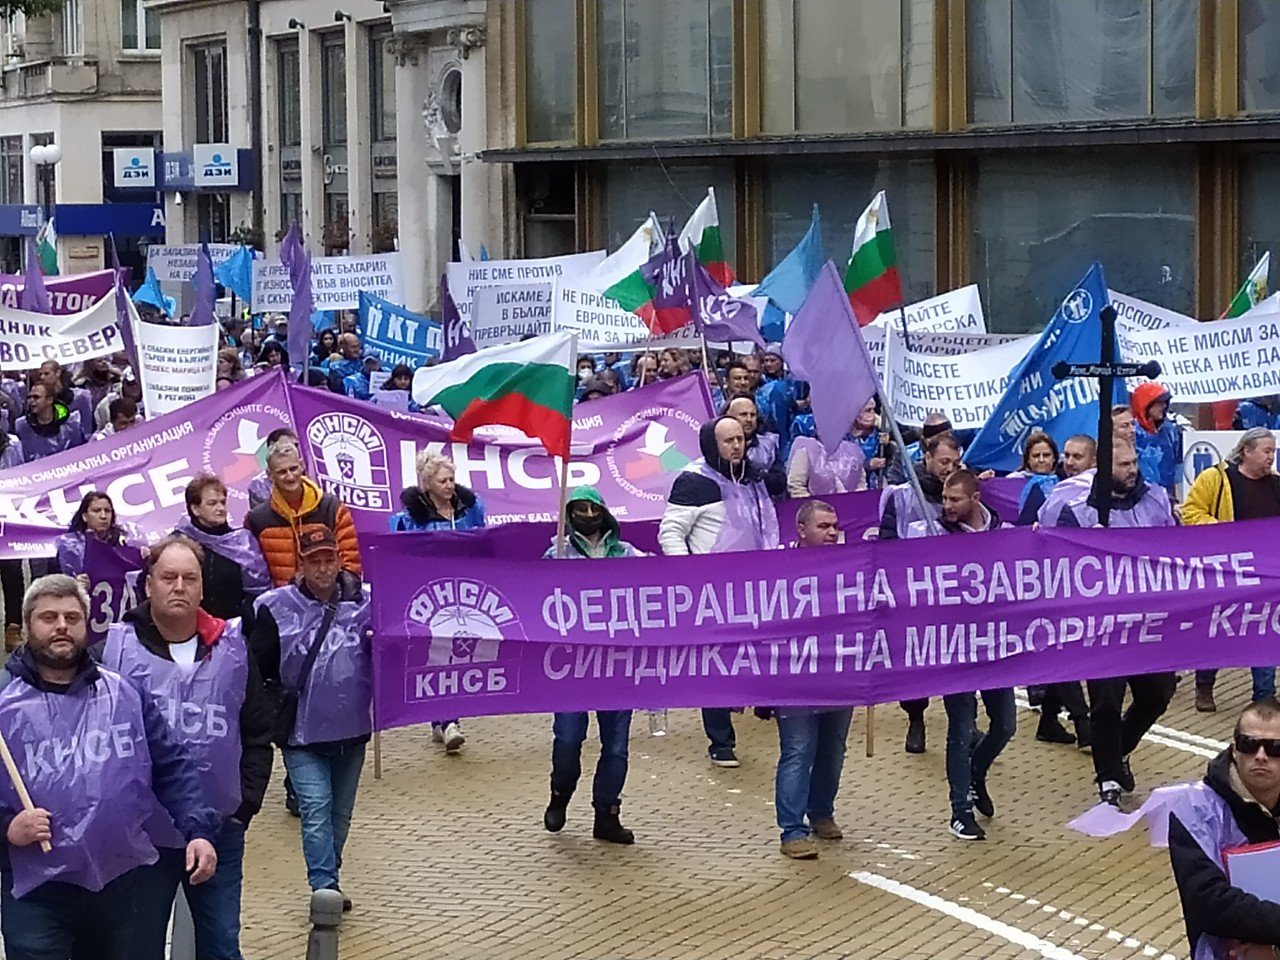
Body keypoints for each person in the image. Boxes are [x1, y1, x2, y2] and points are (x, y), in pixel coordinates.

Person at [0, 575, 218, 960]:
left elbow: (171, 765)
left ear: (87, 624)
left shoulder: (124, 694)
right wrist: (7, 828)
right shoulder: (4, 703)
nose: (61, 626)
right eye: (48, 617)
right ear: (27, 626)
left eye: (72, 616)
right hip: (37, 893)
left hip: (116, 885)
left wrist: (197, 830)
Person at [100, 535, 274, 960]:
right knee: (139, 948)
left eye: (189, 578)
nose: (179, 586)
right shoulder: (117, 647)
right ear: (149, 585)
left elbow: (256, 731)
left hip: (220, 828)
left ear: (201, 588)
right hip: (144, 834)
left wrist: (244, 808)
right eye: (168, 577)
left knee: (221, 947)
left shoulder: (233, 646)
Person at [1049, 440, 1177, 807]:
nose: (1132, 470)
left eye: (1134, 462)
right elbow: (1054, 554)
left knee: (1158, 693)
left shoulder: (1154, 498)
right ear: (1102, 468)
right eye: (1123, 464)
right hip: (1101, 622)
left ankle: (1119, 751)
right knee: (1105, 701)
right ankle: (1107, 778)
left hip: (1148, 618)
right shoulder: (1074, 503)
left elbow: (1175, 545)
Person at [251, 526, 371, 912]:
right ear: (300, 565)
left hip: (353, 728)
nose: (322, 568)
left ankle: (330, 874)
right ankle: (324, 885)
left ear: (339, 561)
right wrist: (267, 711)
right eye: (314, 561)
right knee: (316, 807)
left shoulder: (366, 603)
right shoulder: (274, 607)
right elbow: (257, 666)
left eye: (328, 560)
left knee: (340, 813)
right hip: (300, 733)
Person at [659, 417, 779, 767]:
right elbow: (670, 533)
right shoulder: (694, 482)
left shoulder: (752, 480)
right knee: (716, 667)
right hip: (713, 593)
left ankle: (766, 704)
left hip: (757, 588)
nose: (737, 446)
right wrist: (689, 576)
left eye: (740, 439)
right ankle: (720, 741)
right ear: (712, 444)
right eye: (728, 441)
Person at [904, 470, 1014, 841]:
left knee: (1005, 725)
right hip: (954, 647)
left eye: (955, 500)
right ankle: (959, 809)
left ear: (975, 497)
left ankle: (977, 770)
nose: (946, 506)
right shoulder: (932, 535)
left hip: (996, 645)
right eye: (945, 500)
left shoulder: (1005, 532)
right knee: (960, 728)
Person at [542, 488, 644, 845]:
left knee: (616, 745)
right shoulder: (556, 554)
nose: (587, 514)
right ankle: (561, 792)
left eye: (592, 508)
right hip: (571, 665)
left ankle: (607, 813)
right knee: (568, 737)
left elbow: (657, 586)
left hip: (618, 663)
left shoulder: (629, 554)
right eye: (579, 509)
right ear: (569, 515)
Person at [1168, 699, 1280, 960]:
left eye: (1275, 748)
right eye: (1249, 744)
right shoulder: (1195, 810)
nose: (1261, 756)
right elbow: (1207, 902)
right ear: (1234, 750)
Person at [774, 499, 852, 860]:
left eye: (834, 525)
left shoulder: (850, 565)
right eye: (823, 527)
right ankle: (792, 829)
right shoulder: (778, 567)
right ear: (801, 530)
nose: (832, 532)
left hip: (839, 672)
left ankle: (822, 812)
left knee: (832, 749)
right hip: (795, 676)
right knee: (799, 750)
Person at [1183, 427, 1280, 712]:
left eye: (1273, 452)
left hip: (1266, 571)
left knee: (1264, 629)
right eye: (1266, 451)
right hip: (1227, 569)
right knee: (1219, 628)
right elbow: (1191, 512)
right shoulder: (1216, 479)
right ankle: (1205, 684)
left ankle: (1264, 695)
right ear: (1246, 451)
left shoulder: (1276, 485)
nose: (1271, 458)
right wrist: (1227, 534)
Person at [245, 438, 362, 587]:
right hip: (280, 605)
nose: (289, 476)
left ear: (302, 465)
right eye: (281, 472)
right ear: (270, 474)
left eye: (293, 469)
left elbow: (350, 562)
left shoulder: (332, 508)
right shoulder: (257, 519)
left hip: (329, 601)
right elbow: (255, 572)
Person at [176, 474, 272, 622]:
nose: (220, 508)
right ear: (195, 509)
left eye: (222, 502)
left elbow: (260, 592)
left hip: (239, 631)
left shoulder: (242, 541)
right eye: (212, 503)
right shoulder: (178, 543)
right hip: (192, 628)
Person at [787, 400, 880, 498]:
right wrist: (814, 507)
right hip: (815, 509)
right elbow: (796, 485)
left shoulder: (853, 451)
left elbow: (861, 484)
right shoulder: (806, 449)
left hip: (850, 509)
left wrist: (854, 502)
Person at [54, 491, 132, 580]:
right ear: (85, 517)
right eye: (96, 511)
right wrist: (74, 584)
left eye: (107, 511)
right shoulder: (69, 547)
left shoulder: (123, 541)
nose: (103, 516)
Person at [724, 396, 784, 498]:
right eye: (743, 415)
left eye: (752, 415)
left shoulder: (768, 445)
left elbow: (780, 483)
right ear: (729, 417)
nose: (749, 419)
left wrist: (757, 476)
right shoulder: (718, 446)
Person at [1131, 381, 1182, 498]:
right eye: (1159, 403)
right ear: (1146, 404)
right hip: (1138, 499)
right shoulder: (1131, 433)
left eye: (1164, 402)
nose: (1163, 406)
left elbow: (1177, 468)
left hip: (1166, 498)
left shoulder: (1170, 431)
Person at [14, 382, 84, 461]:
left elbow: (79, 452)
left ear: (50, 400)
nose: (31, 401)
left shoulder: (71, 424)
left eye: (36, 397)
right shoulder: (22, 426)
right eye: (29, 397)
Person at [33, 361, 94, 443]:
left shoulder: (81, 396)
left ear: (58, 373)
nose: (42, 377)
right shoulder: (43, 402)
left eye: (46, 373)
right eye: (40, 374)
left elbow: (87, 427)